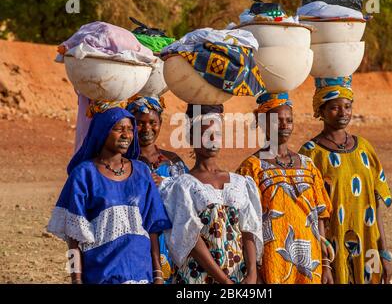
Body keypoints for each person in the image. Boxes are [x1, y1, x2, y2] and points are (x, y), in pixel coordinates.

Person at [46, 108, 172, 284]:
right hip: (101, 275)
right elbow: (73, 238)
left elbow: (152, 228)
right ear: (102, 131)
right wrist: (76, 278)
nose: (126, 135)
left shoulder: (142, 172)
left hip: (140, 272)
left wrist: (157, 274)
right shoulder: (83, 174)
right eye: (119, 129)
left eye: (129, 129)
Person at [299, 76, 392, 284]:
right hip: (331, 249)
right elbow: (312, 213)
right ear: (320, 111)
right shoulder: (311, 153)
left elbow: (375, 203)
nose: (343, 113)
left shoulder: (365, 148)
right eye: (334, 107)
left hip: (369, 243)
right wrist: (323, 263)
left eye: (347, 106)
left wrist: (384, 252)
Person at [159, 104, 263, 284]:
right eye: (206, 134)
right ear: (191, 137)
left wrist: (252, 274)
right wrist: (224, 281)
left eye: (218, 134)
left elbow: (249, 230)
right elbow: (191, 238)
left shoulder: (240, 183)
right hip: (198, 277)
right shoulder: (183, 186)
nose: (213, 139)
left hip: (238, 277)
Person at [237, 93, 333, 284]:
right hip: (272, 260)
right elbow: (245, 224)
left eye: (289, 120)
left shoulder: (308, 165)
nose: (284, 126)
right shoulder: (251, 167)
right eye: (277, 121)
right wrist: (252, 270)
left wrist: (326, 264)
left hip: (311, 260)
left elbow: (320, 216)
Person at [126, 95, 189, 283]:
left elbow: (189, 197)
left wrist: (166, 183)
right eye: (140, 123)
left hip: (170, 243)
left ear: (160, 123)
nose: (147, 128)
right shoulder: (125, 162)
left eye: (152, 122)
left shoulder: (173, 161)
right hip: (136, 241)